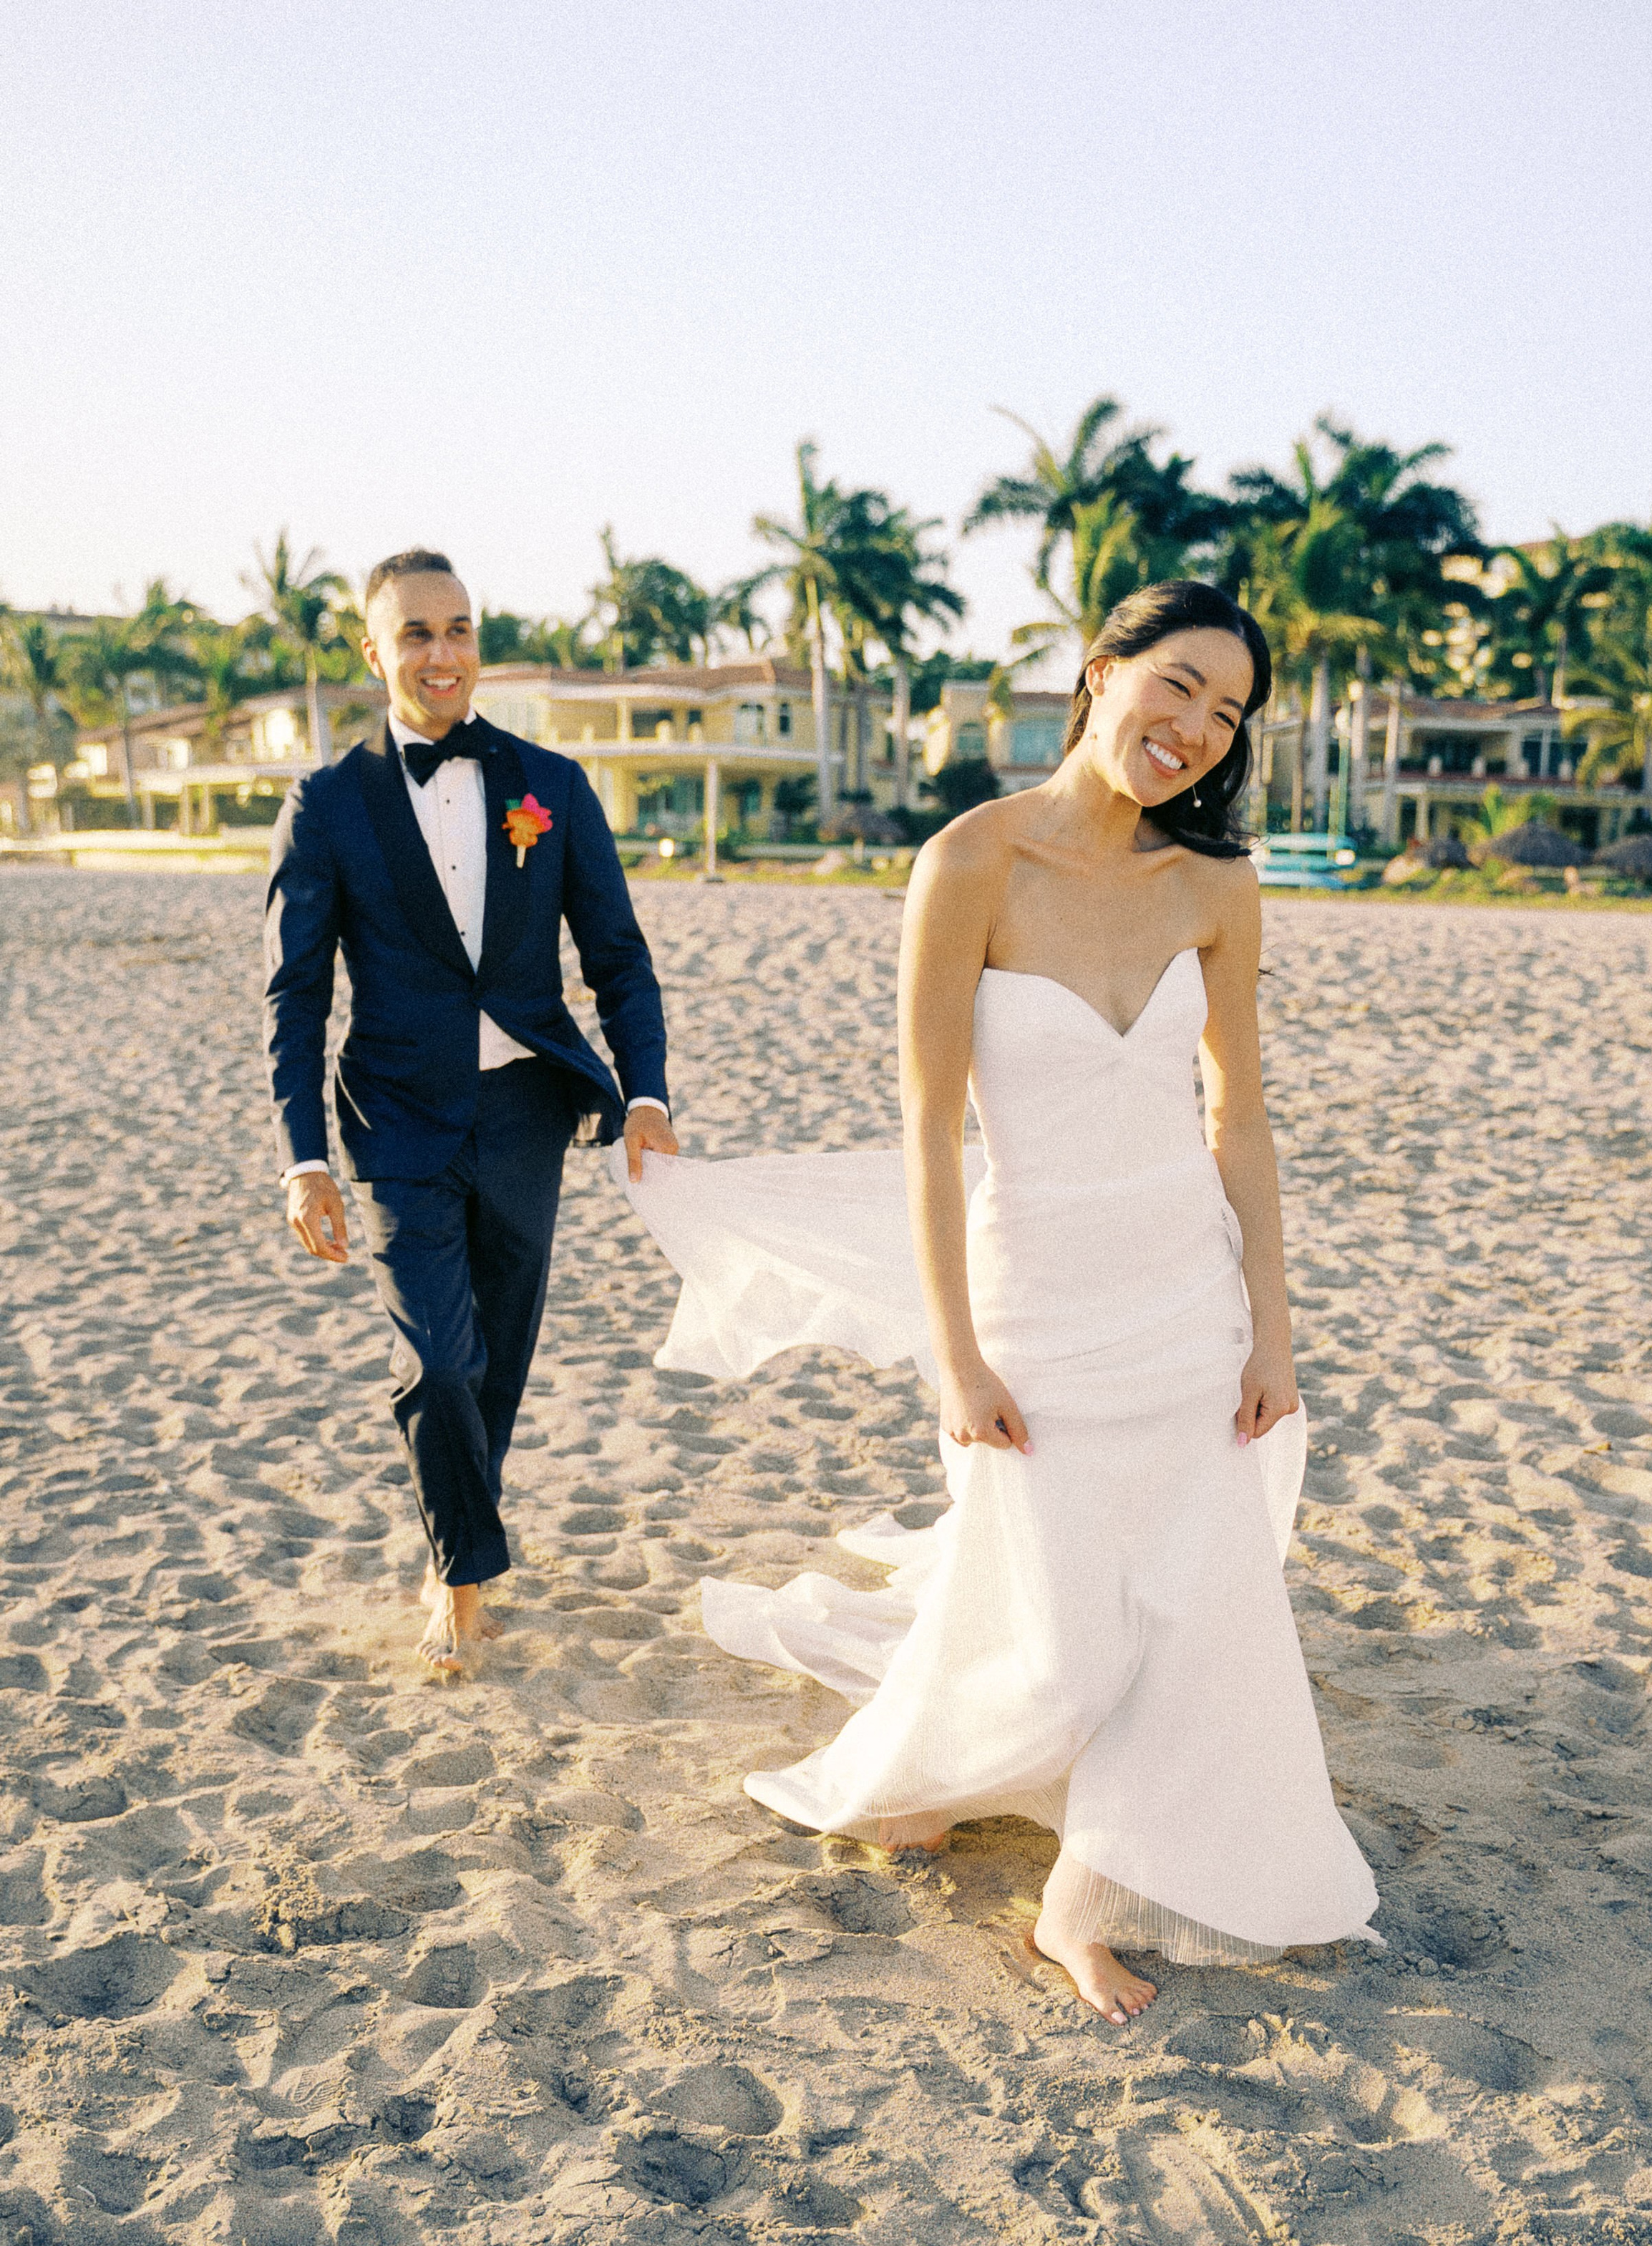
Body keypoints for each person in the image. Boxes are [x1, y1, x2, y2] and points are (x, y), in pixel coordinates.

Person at [623, 579, 1378, 2021]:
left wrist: (1271, 1335)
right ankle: (948, 1770)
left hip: (1185, 1297)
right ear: (1099, 674)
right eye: (1178, 686)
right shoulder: (968, 861)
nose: (1197, 729)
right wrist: (956, 1353)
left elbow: (1239, 1121)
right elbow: (925, 1126)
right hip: (1034, 1298)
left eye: (1228, 714)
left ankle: (1080, 1902)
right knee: (1063, 1634)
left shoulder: (1215, 887)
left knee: (1186, 1607)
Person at [263, 547, 677, 1672]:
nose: (441, 654)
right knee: (436, 1362)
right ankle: (461, 1579)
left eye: (458, 629)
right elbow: (296, 995)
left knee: (495, 1357)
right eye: (416, 633)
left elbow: (618, 958)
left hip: (528, 1115)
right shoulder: (327, 805)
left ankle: (455, 1539)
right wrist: (304, 1159)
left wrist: (645, 1090)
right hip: (396, 1122)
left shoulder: (553, 785)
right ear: (374, 652)